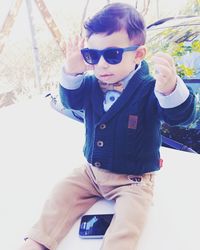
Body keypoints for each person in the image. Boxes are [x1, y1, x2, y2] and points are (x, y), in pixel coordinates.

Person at [20, 2, 196, 250]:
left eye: (112, 55)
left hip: (133, 180)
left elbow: (181, 117)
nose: (101, 64)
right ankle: (38, 241)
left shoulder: (149, 88)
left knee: (127, 226)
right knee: (60, 195)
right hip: (91, 172)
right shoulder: (91, 83)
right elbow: (71, 100)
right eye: (92, 55)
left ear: (138, 54)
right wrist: (71, 71)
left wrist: (170, 90)